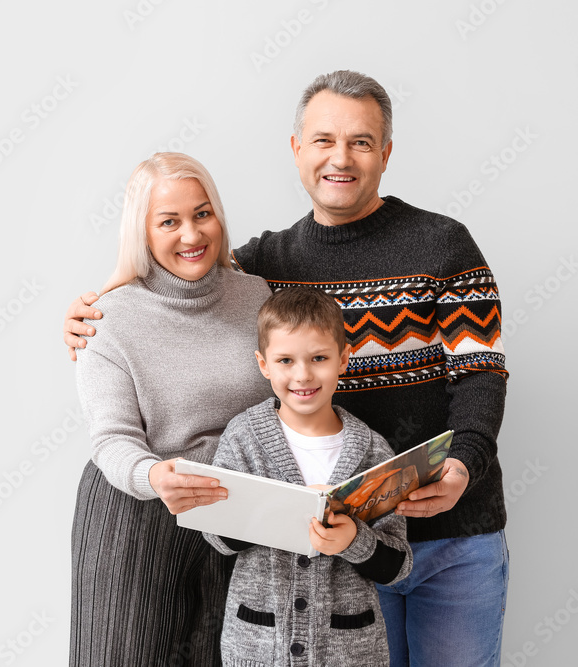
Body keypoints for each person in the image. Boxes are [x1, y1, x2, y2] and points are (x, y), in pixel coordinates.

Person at [63, 70, 510, 666]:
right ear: (297, 150)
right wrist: (94, 306)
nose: (340, 159)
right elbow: (182, 276)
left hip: (451, 529)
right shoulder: (270, 264)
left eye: (361, 141)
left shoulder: (444, 245)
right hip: (323, 551)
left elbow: (481, 373)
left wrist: (462, 467)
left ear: (386, 152)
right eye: (323, 140)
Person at [71, 152, 273, 666]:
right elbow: (111, 438)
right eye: (169, 221)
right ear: (142, 232)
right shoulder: (107, 318)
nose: (191, 234)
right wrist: (153, 475)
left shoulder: (256, 297)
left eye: (202, 214)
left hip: (233, 513)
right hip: (136, 506)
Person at [202, 286, 411, 666]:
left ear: (344, 359)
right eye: (285, 360)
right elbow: (217, 536)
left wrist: (353, 540)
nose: (303, 375)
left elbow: (397, 565)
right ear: (263, 364)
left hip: (349, 653)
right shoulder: (243, 437)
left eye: (319, 358)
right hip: (259, 647)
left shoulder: (373, 451)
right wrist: (280, 508)